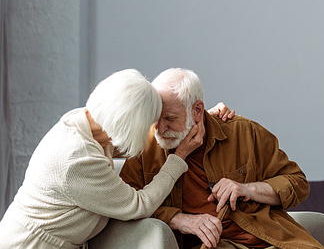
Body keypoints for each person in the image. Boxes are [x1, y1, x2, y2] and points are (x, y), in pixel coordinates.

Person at [0, 69, 234, 249]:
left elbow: (125, 142)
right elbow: (139, 205)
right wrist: (180, 156)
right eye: (151, 122)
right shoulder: (78, 160)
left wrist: (192, 119)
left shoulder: (88, 122)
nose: (156, 128)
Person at [120, 68, 323, 249]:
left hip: (272, 238)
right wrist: (178, 219)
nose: (160, 128)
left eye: (170, 119)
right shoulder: (144, 147)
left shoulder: (244, 132)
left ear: (197, 111)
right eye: (155, 117)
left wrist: (247, 189)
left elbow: (298, 184)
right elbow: (125, 206)